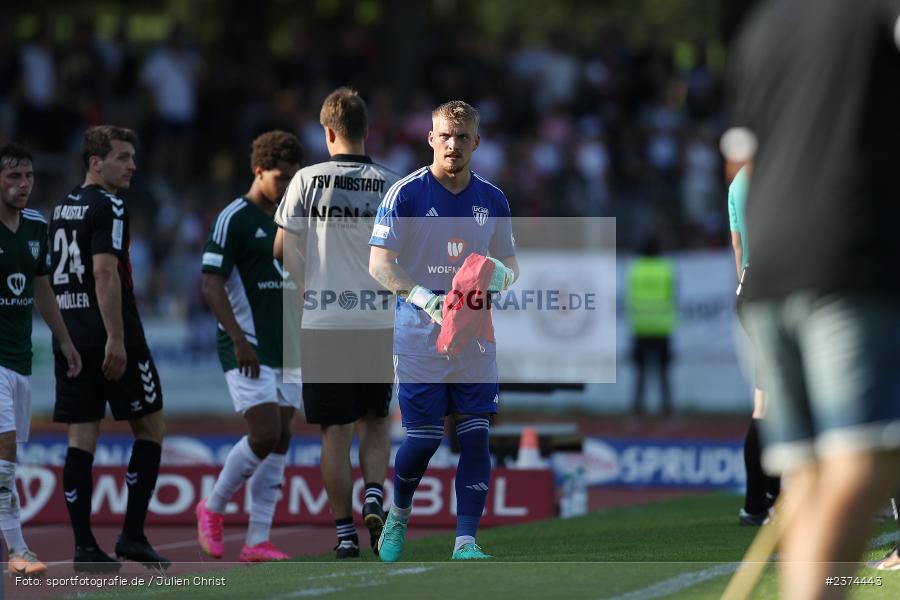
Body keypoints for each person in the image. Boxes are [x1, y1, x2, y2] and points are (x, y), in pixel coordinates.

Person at [727, 1, 900, 597]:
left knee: (809, 478)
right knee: (865, 460)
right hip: (848, 258)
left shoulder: (765, 23)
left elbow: (742, 153)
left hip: (768, 262)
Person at [368, 100, 518, 562]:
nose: (453, 145)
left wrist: (496, 279)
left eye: (462, 137)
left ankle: (466, 541)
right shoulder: (407, 195)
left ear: (477, 141)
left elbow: (509, 265)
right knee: (424, 439)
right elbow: (378, 264)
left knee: (475, 434)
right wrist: (424, 298)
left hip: (474, 335)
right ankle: (399, 514)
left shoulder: (493, 200)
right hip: (418, 335)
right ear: (431, 139)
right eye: (445, 136)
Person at [273, 88, 399, 559]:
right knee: (376, 419)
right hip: (376, 320)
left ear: (328, 133)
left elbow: (284, 250)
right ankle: (373, 494)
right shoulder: (391, 182)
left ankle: (345, 532)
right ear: (367, 131)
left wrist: (309, 286)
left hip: (323, 320)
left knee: (335, 432)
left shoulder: (306, 180)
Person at [49, 126, 168, 572]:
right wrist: (116, 338)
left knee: (82, 438)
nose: (132, 165)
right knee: (150, 427)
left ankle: (84, 547)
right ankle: (132, 534)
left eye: (132, 157)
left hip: (70, 335)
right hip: (113, 336)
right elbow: (104, 273)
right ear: (96, 163)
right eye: (122, 157)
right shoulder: (111, 205)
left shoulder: (61, 206)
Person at [195, 131, 303, 563]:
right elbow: (210, 283)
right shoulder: (234, 218)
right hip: (249, 344)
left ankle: (258, 539)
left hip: (289, 345)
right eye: (280, 177)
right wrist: (239, 339)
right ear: (258, 171)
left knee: (282, 438)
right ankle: (213, 506)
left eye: (293, 178)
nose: (286, 185)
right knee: (264, 433)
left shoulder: (291, 219)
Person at [0, 144, 81, 576]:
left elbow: (42, 289)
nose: (23, 185)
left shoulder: (35, 226)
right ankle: (17, 550)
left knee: (7, 457)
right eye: (13, 177)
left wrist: (64, 339)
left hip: (19, 359)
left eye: (28, 177)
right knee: (5, 452)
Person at [727, 163, 780, 526]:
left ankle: (756, 503)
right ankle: (775, 497)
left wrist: (743, 281)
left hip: (750, 289)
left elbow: (736, 243)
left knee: (765, 402)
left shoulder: (737, 181)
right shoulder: (786, 166)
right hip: (782, 288)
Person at [625, 236, 676, 417]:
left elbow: (629, 296)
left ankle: (637, 410)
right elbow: (672, 295)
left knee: (640, 373)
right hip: (662, 326)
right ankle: (667, 410)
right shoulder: (665, 268)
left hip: (641, 326)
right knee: (663, 372)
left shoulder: (635, 269)